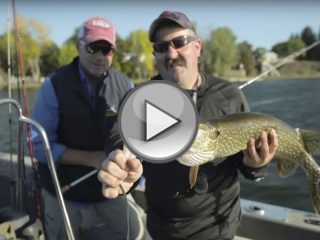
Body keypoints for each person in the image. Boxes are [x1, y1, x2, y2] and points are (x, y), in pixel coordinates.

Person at [98, 11, 278, 240]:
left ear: (197, 47)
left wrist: (256, 164)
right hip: (164, 230)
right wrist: (120, 163)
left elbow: (249, 169)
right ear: (155, 54)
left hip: (220, 229)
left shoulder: (229, 95)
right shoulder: (140, 99)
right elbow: (119, 138)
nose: (171, 53)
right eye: (161, 47)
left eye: (179, 42)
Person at [31, 16, 144, 240]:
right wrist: (93, 158)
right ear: (79, 46)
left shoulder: (126, 86)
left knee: (136, 232)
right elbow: (38, 147)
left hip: (109, 193)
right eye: (93, 47)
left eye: (107, 49)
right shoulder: (53, 86)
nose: (100, 56)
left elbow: (136, 137)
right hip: (63, 192)